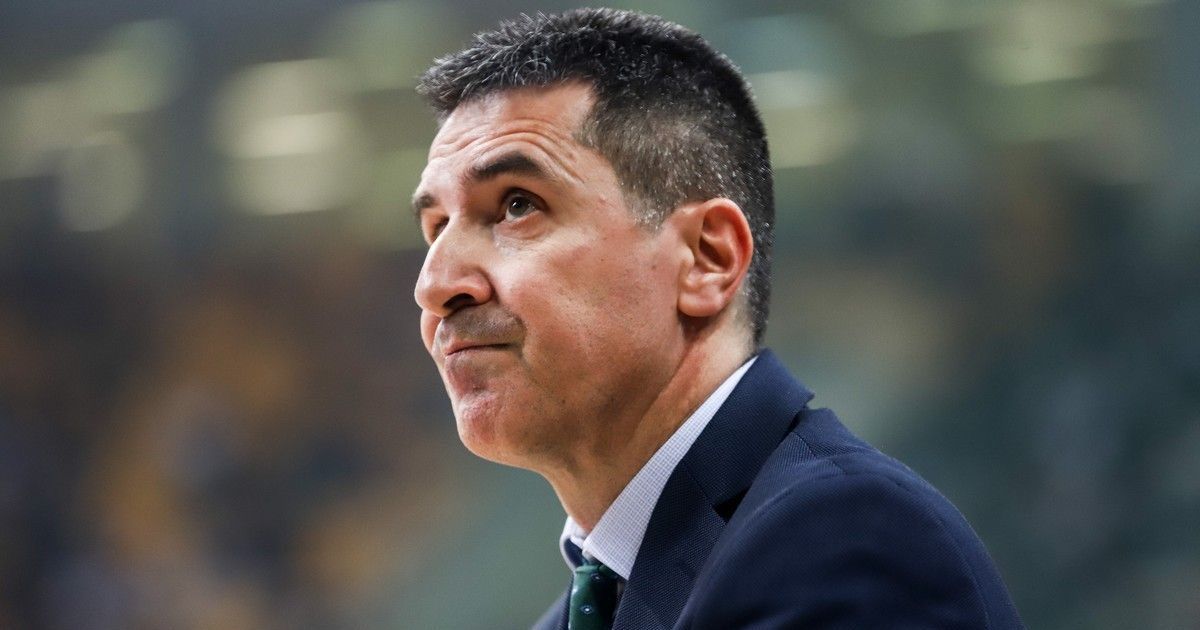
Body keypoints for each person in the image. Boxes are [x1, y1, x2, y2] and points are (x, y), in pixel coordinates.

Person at [411, 8, 1023, 629]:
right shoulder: (574, 618)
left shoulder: (843, 541)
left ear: (707, 259)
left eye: (517, 205)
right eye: (435, 228)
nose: (434, 286)